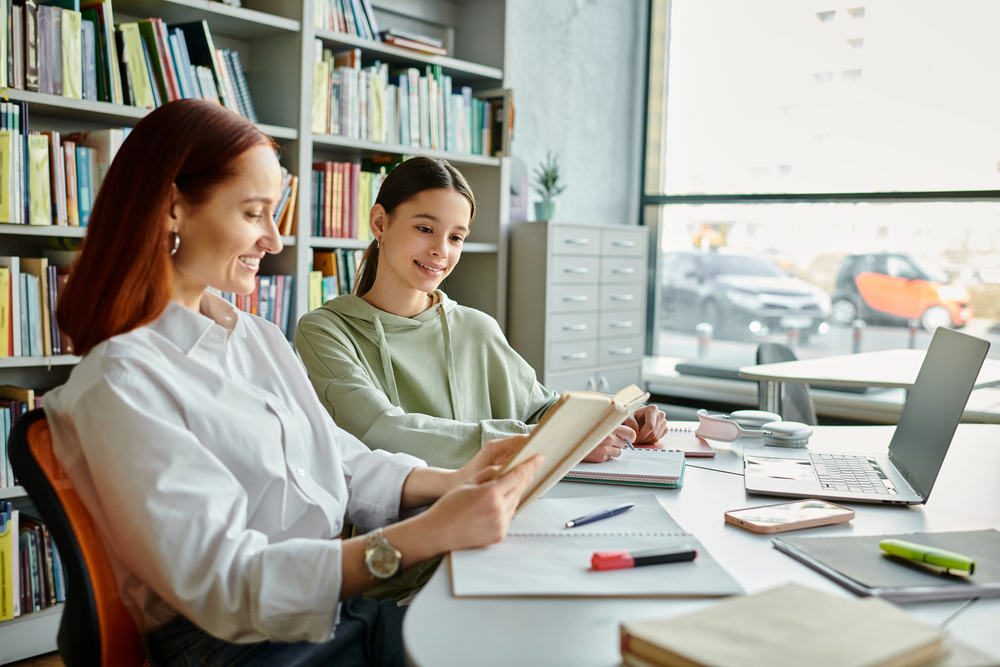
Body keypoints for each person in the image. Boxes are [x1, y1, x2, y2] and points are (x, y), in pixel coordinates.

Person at [44, 100, 542, 667]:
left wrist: (452, 482)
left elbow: (335, 456)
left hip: (324, 613)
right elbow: (227, 584)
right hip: (243, 647)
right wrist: (423, 536)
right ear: (173, 210)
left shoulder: (254, 337)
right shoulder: (120, 381)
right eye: (254, 213)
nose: (274, 241)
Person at [295, 156, 667, 472]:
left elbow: (540, 408)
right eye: (425, 228)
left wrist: (609, 423)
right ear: (380, 223)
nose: (441, 250)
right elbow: (381, 430)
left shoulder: (476, 327)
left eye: (456, 237)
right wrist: (552, 442)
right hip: (399, 529)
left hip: (498, 509)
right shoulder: (324, 330)